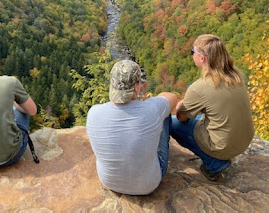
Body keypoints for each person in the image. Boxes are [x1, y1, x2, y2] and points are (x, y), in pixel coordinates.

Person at [86, 60, 178, 195]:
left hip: (109, 182)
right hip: (148, 185)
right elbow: (172, 97)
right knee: (164, 116)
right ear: (136, 86)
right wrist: (142, 97)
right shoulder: (151, 109)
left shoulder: (94, 112)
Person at [171, 34, 254, 181]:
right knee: (199, 117)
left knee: (172, 123)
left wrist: (180, 106)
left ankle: (213, 164)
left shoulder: (199, 87)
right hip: (244, 142)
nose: (191, 54)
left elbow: (181, 117)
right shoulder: (235, 76)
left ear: (202, 58)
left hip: (223, 147)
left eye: (192, 51)